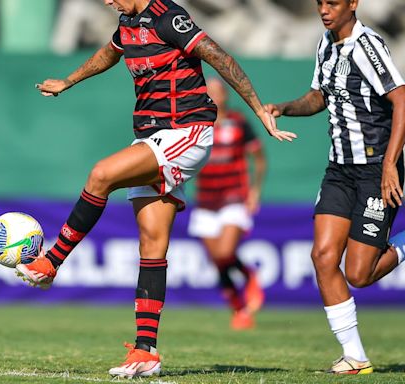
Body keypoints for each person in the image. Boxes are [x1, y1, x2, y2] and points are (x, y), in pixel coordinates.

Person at [16, 0, 295, 378]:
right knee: (151, 243)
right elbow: (108, 54)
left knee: (101, 175)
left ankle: (52, 262)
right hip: (152, 137)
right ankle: (146, 351)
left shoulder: (168, 18)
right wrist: (69, 80)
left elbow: (220, 56)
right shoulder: (128, 24)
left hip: (187, 132)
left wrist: (258, 107)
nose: (107, 2)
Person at [265, 0, 405, 375]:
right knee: (323, 257)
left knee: (359, 274)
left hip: (375, 169)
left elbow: (401, 98)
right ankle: (355, 358)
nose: (325, 10)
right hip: (339, 170)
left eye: (333, 3)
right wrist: (283, 107)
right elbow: (318, 97)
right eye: (320, 3)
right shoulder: (326, 43)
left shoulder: (368, 45)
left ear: (353, 4)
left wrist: (391, 164)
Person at [188, 77, 266, 330]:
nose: (212, 95)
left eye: (216, 91)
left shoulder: (238, 121)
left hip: (233, 197)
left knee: (224, 253)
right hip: (206, 200)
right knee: (218, 261)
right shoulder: (195, 123)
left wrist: (254, 192)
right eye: (207, 91)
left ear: (225, 95)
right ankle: (239, 309)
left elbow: (259, 157)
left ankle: (248, 275)